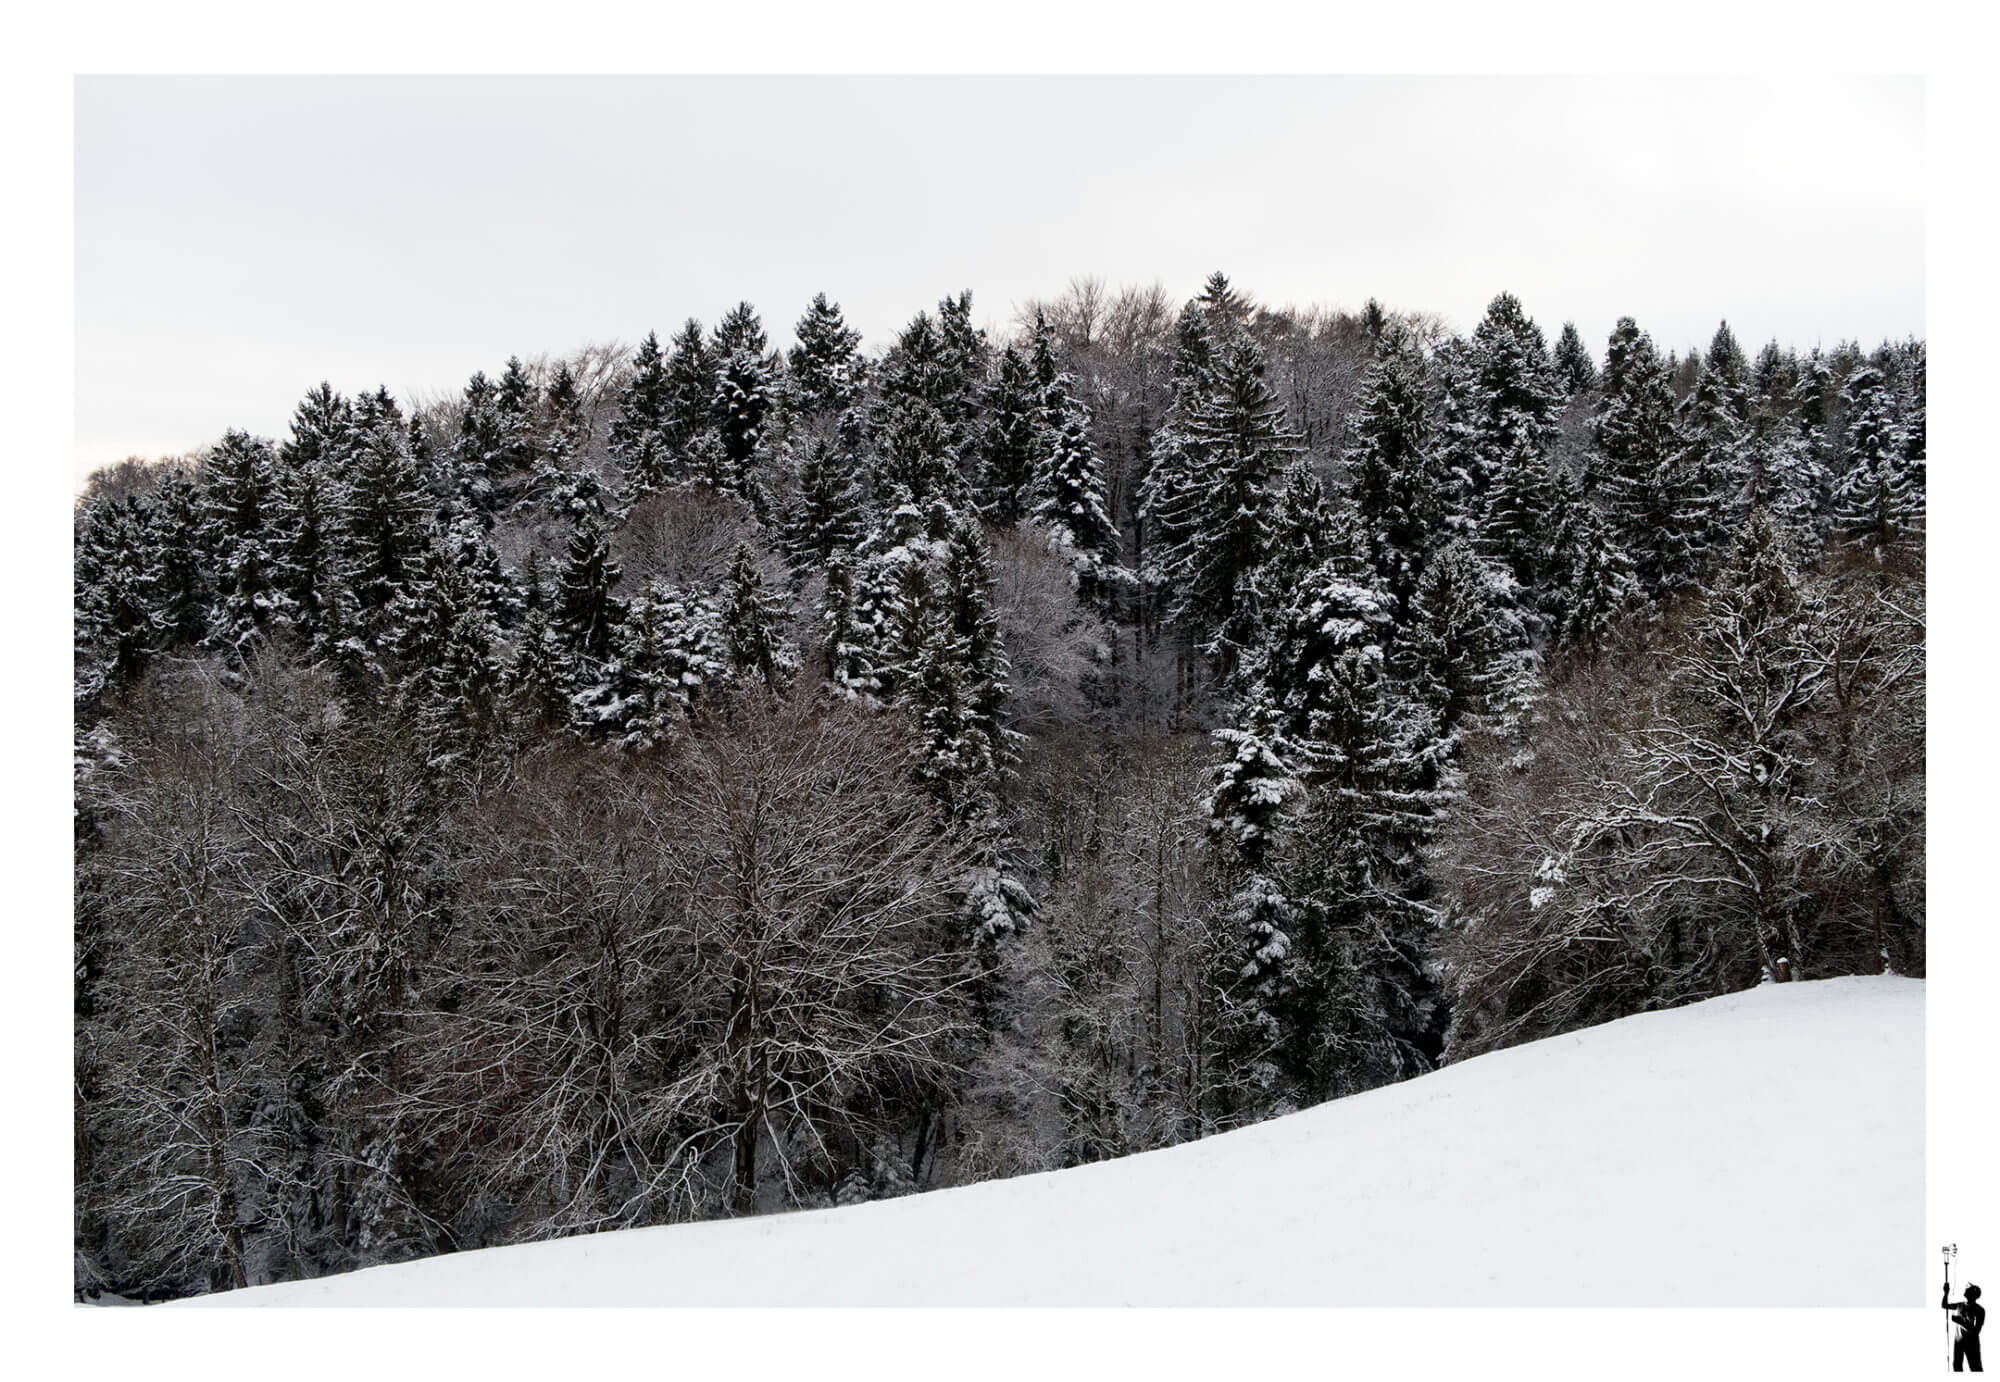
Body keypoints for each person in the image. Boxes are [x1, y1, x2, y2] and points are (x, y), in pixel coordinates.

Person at [1945, 1282, 1986, 1372]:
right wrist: (1946, 1293)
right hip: (1958, 1342)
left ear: (1973, 1294)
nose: (1965, 1289)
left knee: (1975, 1368)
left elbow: (1976, 1331)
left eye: (1968, 1289)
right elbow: (1944, 1305)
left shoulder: (1979, 1310)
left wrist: (1960, 1321)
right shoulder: (1960, 1305)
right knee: (1957, 1366)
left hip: (1971, 1343)